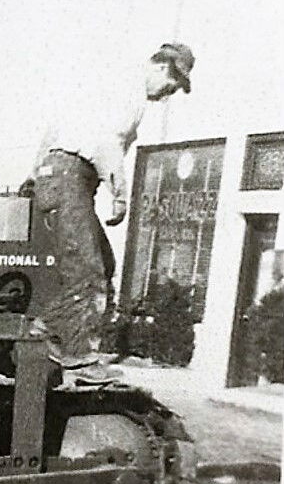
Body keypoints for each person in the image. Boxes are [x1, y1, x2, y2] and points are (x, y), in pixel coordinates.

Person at [30, 42, 195, 384]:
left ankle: (47, 327)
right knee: (88, 269)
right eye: (172, 86)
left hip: (59, 175)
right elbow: (106, 145)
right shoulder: (130, 95)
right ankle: (75, 356)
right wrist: (120, 196)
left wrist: (37, 175)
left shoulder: (107, 83)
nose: (169, 94)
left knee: (102, 262)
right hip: (70, 176)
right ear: (165, 69)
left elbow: (55, 132)